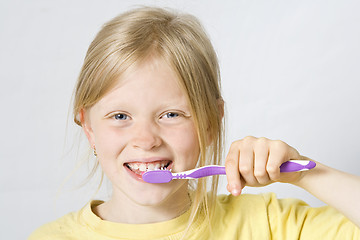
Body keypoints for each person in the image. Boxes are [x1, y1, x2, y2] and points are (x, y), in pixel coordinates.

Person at [29, 6, 360, 239]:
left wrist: (306, 174)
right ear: (89, 128)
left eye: (171, 114)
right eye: (120, 117)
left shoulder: (272, 225)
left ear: (210, 124)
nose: (145, 140)